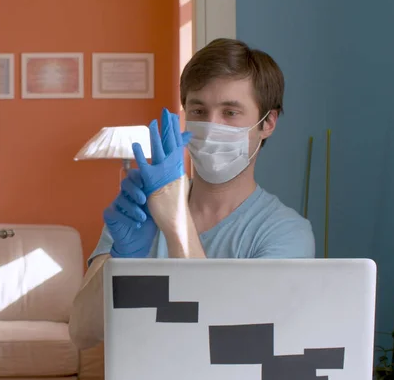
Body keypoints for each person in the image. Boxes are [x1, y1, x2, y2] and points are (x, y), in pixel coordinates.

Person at [69, 38, 316, 349]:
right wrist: (120, 264)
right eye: (198, 110)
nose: (211, 126)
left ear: (267, 123)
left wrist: (175, 222)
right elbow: (81, 333)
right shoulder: (140, 209)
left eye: (230, 112)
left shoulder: (286, 234)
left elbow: (230, 346)